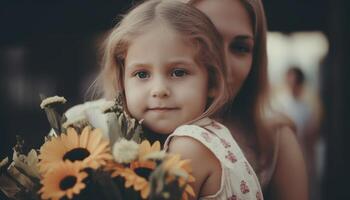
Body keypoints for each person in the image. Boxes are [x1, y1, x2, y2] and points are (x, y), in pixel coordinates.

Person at [99, 0, 263, 199]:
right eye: (142, 74)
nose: (159, 90)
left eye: (178, 72)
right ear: (122, 82)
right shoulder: (209, 135)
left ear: (211, 82)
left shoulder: (190, 146)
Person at [176, 0, 308, 199]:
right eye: (205, 42)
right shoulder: (120, 131)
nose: (225, 66)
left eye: (240, 48)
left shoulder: (273, 141)